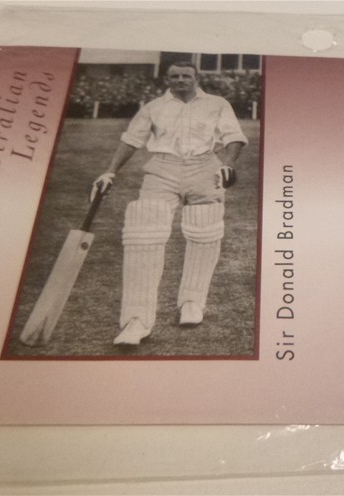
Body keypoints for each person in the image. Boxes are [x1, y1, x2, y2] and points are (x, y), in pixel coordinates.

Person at [90, 61, 247, 346]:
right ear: (167, 79)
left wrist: (228, 164)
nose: (180, 80)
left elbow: (233, 137)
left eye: (186, 75)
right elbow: (131, 140)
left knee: (204, 234)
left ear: (196, 78)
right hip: (162, 168)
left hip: (205, 167)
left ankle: (192, 302)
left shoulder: (217, 103)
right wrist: (110, 171)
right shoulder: (153, 107)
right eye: (175, 76)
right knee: (144, 236)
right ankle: (136, 320)